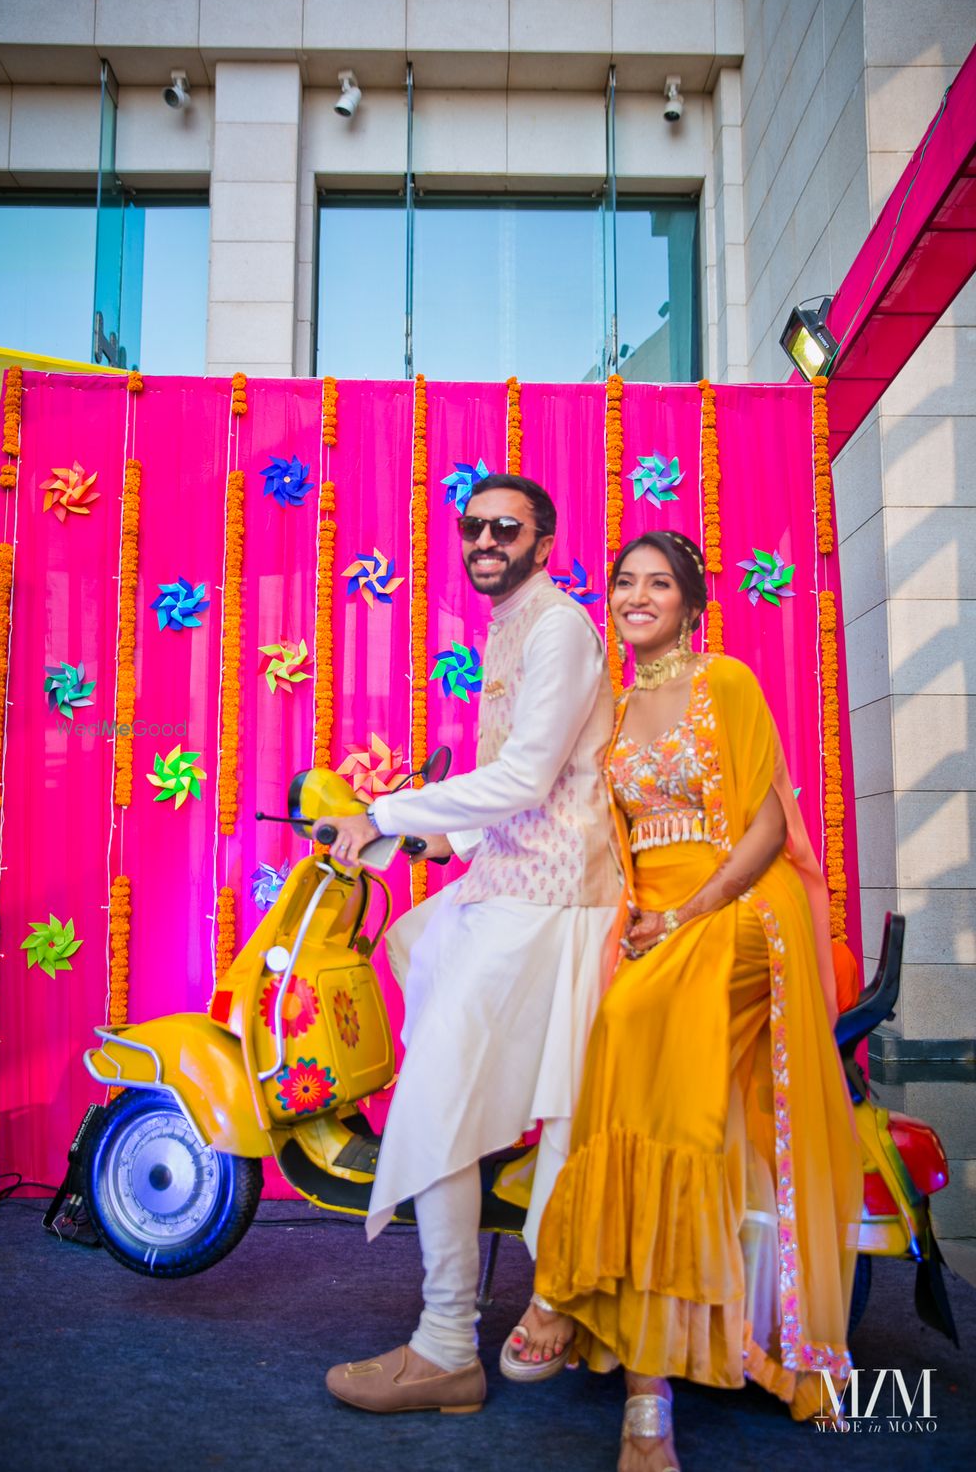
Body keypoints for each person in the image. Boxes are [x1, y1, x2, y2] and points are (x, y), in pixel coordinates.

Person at [505, 531, 861, 1471]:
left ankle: (575, 1297)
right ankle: (643, 1388)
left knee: (630, 1020)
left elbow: (767, 827)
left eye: (658, 583)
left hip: (743, 911)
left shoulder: (727, 684)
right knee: (631, 1052)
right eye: (624, 581)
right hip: (658, 921)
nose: (636, 596)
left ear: (692, 603)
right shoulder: (616, 712)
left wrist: (688, 914)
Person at [317, 474, 623, 1415]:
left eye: (505, 526)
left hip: (553, 901)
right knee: (412, 948)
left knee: (438, 1091)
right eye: (472, 526)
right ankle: (466, 1298)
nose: (484, 538)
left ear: (542, 538)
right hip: (506, 882)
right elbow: (528, 776)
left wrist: (387, 810)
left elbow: (531, 776)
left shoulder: (560, 625)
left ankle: (449, 1342)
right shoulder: (511, 625)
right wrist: (431, 834)